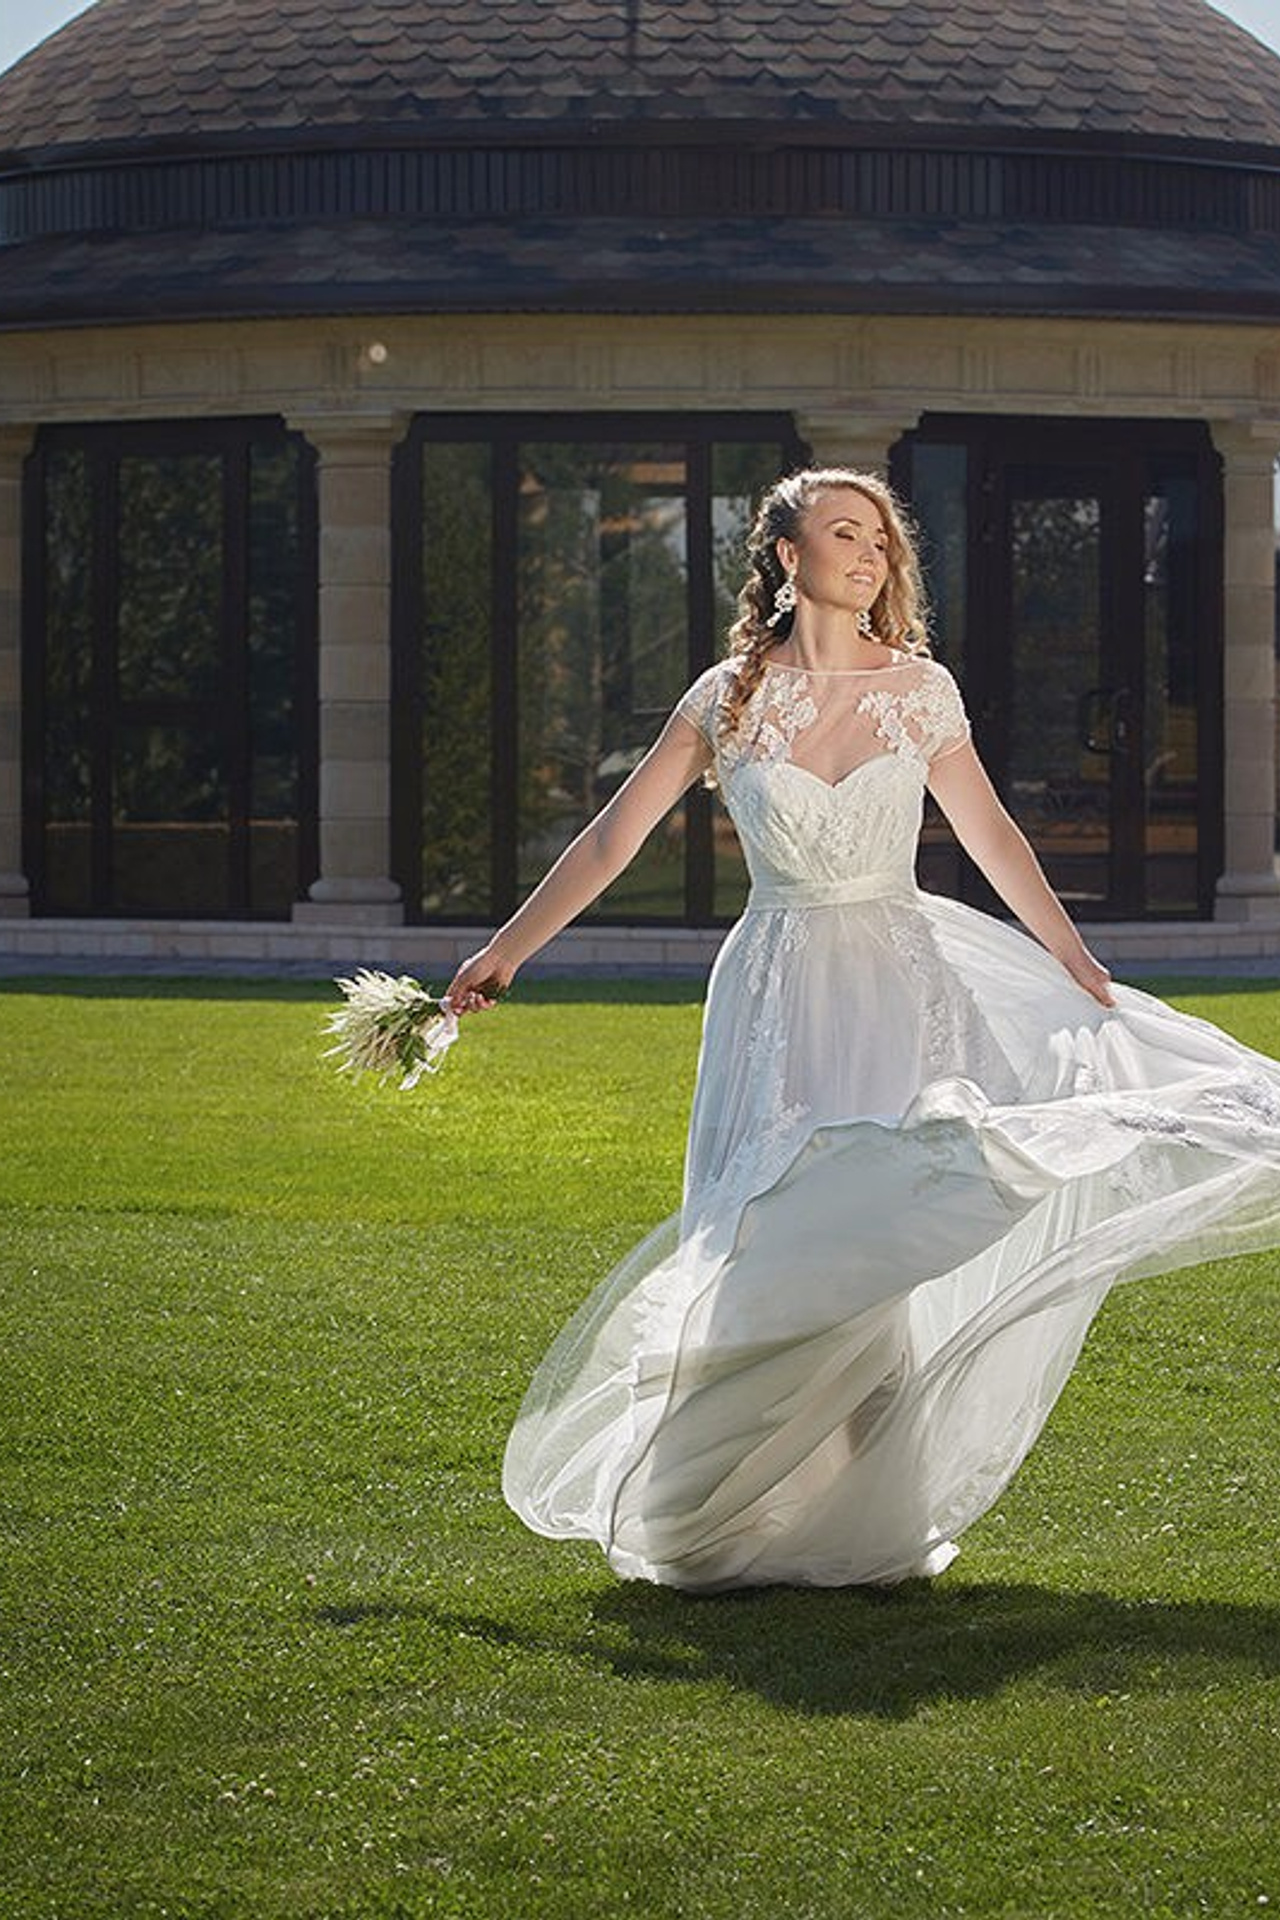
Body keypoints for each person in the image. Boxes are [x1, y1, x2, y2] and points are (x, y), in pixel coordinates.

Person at [446, 465, 1280, 1592]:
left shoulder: (918, 691)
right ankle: (718, 1508)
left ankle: (863, 1522)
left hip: (897, 978)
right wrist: (502, 951)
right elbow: (608, 842)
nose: (869, 554)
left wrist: (1071, 958)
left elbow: (989, 836)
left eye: (881, 540)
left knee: (875, 1228)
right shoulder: (724, 700)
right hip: (777, 988)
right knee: (763, 1232)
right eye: (845, 534)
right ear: (785, 559)